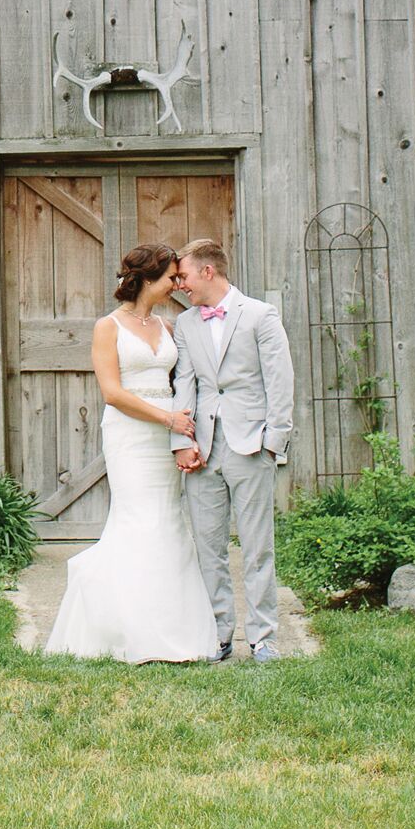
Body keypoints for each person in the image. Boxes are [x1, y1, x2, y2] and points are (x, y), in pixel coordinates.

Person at [40, 242, 217, 664]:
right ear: (148, 279)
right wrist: (167, 419)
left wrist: (183, 436)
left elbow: (181, 385)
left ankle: (172, 629)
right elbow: (113, 393)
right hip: (131, 437)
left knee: (169, 520)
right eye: (172, 277)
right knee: (138, 520)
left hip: (164, 439)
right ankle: (127, 628)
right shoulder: (109, 327)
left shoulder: (168, 327)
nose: (178, 283)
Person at [170, 236, 296, 661]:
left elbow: (280, 381)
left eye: (184, 275)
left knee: (258, 545)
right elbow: (184, 383)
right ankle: (219, 633)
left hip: (251, 445)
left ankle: (263, 637)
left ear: (208, 271)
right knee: (209, 545)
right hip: (203, 448)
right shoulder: (185, 324)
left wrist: (273, 442)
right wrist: (180, 442)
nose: (179, 284)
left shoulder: (260, 315)